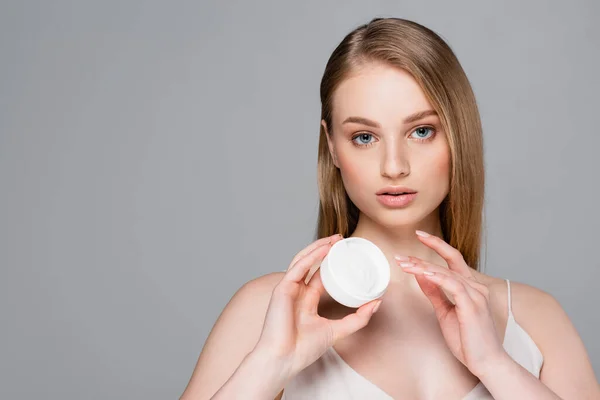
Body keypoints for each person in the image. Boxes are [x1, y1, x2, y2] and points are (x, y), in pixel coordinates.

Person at [180, 17, 599, 399]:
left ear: (458, 135)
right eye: (364, 137)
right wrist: (272, 364)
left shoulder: (535, 320)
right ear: (332, 146)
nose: (394, 166)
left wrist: (495, 364)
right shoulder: (267, 311)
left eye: (421, 131)